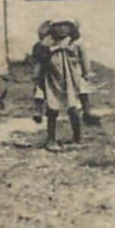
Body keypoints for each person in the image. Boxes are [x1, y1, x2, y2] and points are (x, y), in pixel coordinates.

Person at [39, 19, 86, 150]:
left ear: (71, 28)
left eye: (66, 25)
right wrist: (55, 48)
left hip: (71, 79)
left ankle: (77, 138)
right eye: (58, 25)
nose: (62, 29)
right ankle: (51, 139)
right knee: (52, 108)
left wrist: (86, 73)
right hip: (53, 78)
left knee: (73, 107)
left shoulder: (75, 42)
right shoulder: (47, 42)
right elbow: (41, 58)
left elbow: (83, 58)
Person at [29, 20, 52, 125]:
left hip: (55, 73)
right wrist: (36, 72)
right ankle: (38, 111)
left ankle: (49, 110)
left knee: (52, 94)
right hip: (43, 73)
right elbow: (37, 60)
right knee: (39, 92)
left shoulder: (57, 45)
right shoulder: (38, 46)